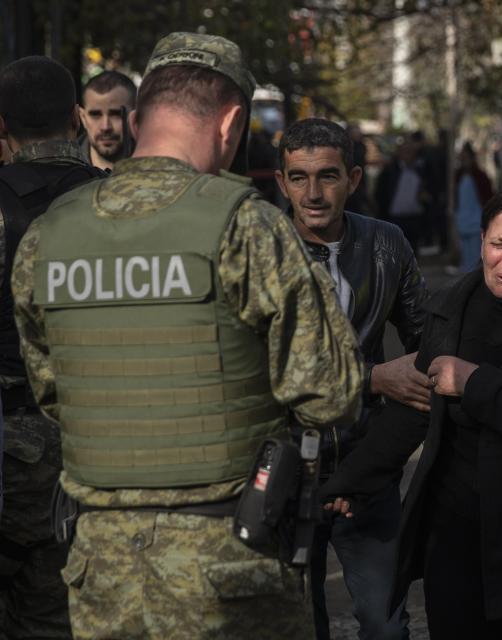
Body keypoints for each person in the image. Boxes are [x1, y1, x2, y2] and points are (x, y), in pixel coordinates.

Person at [11, 33, 364, 638]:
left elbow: (50, 394)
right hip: (227, 563)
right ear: (230, 122)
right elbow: (330, 392)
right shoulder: (248, 226)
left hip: (101, 568)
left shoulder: (50, 234)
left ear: (139, 117)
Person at [321, 183, 502, 640]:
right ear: (480, 240)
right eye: (499, 243)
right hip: (458, 547)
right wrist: (353, 482)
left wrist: (474, 382)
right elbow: (414, 410)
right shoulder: (451, 308)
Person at [274, 117, 430, 640]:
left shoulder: (386, 245)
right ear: (281, 182)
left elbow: (425, 353)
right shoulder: (259, 248)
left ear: (355, 179)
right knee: (298, 624)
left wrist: (370, 465)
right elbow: (257, 366)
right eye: (298, 177)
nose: (313, 193)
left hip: (366, 464)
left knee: (386, 624)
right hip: (281, 464)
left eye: (328, 176)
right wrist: (371, 378)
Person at [0, 54, 105, 640]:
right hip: (105, 447)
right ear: (76, 118)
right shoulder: (120, 202)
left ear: (0, 126)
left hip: (13, 446)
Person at [375, 138, 431, 254]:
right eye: (405, 152)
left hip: (415, 217)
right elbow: (380, 193)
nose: (408, 155)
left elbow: (429, 190)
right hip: (395, 219)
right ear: (399, 153)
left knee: (413, 252)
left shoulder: (420, 170)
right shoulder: (390, 170)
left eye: (410, 152)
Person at [79, 70, 137, 171]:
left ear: (135, 116)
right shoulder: (63, 169)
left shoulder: (157, 163)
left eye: (116, 114)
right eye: (95, 115)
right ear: (83, 117)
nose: (105, 127)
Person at [454, 142, 493, 272]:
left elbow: (488, 196)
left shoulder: (480, 176)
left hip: (477, 217)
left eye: (466, 158)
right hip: (462, 217)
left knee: (477, 250)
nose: (464, 161)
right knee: (465, 250)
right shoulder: (457, 176)